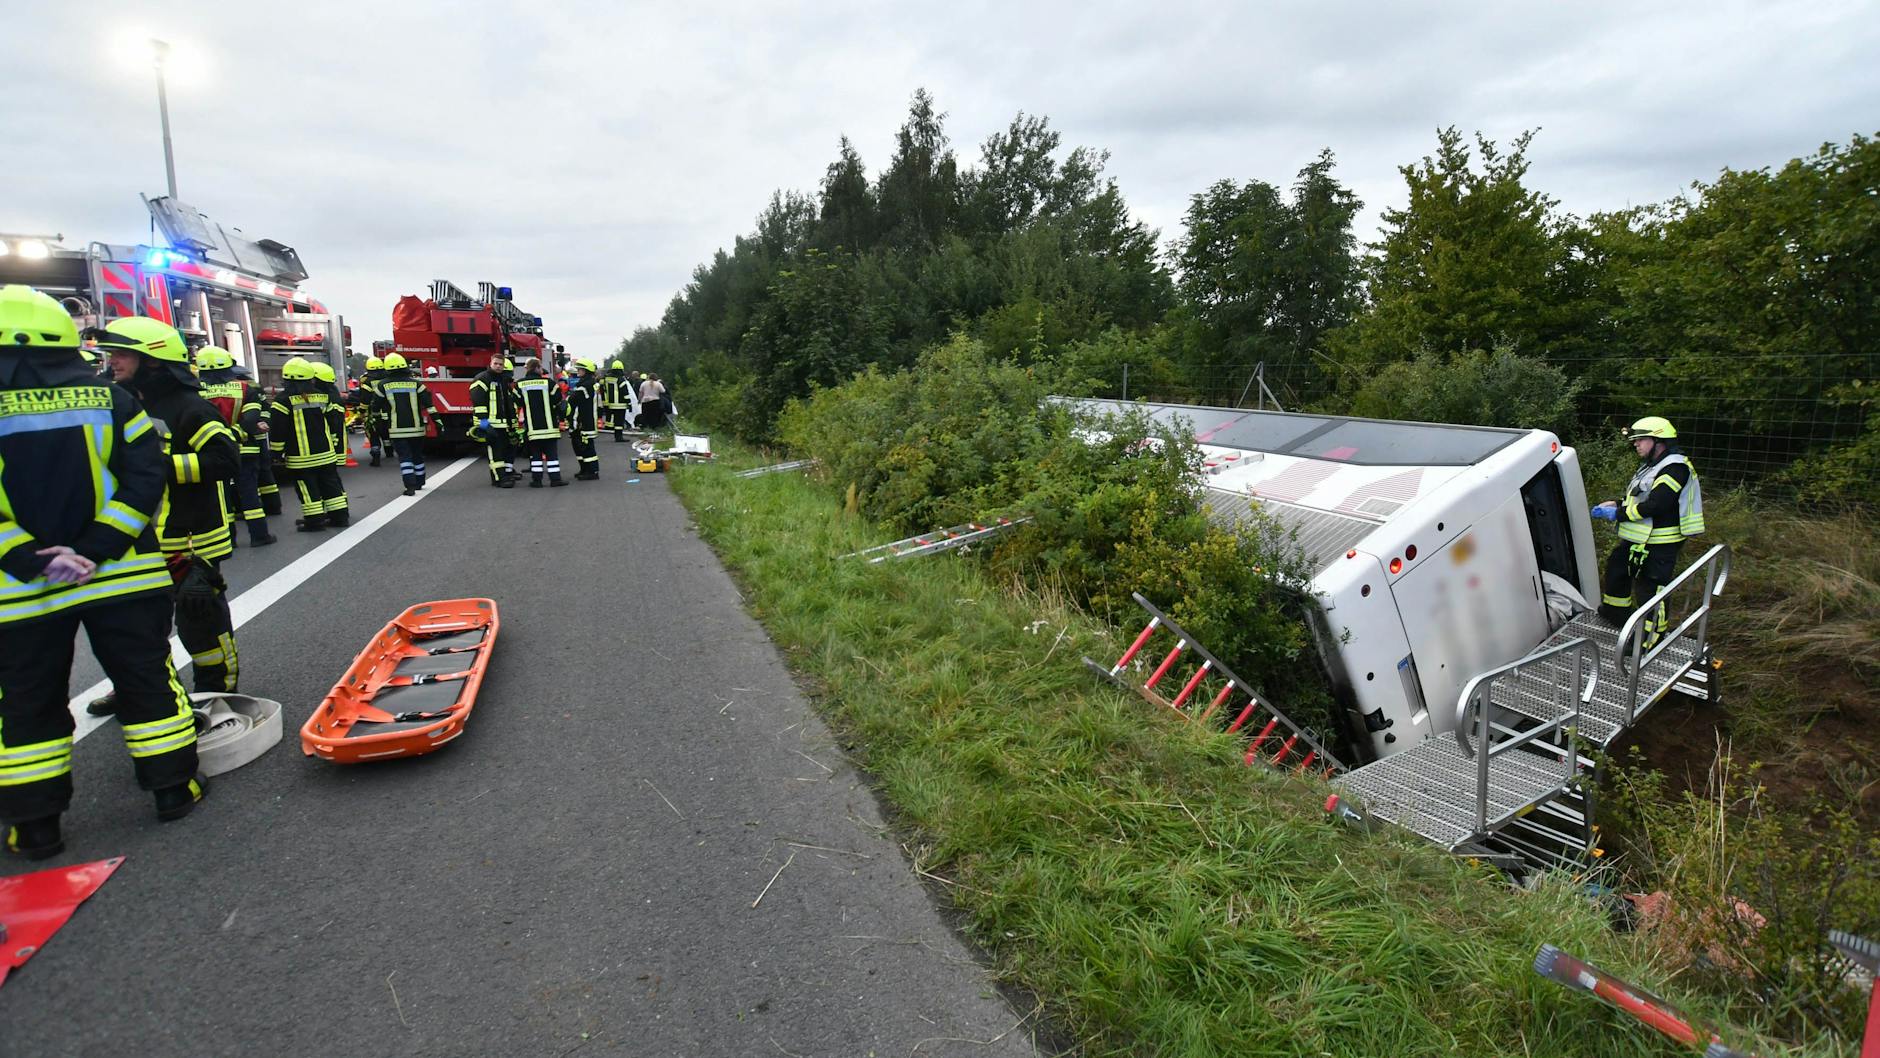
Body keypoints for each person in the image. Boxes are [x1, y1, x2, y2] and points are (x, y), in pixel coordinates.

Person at [0, 287, 207, 858]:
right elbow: (146, 479)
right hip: (123, 576)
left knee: (25, 702)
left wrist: (28, 556)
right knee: (146, 683)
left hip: (22, 590)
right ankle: (174, 789)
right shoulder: (113, 401)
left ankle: (35, 824)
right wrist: (97, 547)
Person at [93, 315, 243, 706]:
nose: (114, 361)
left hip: (187, 541)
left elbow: (225, 460)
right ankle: (139, 688)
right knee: (136, 627)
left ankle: (216, 690)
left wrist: (159, 467)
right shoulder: (116, 402)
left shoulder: (189, 409)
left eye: (123, 354)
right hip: (131, 540)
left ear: (153, 360)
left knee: (201, 624)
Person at [1593, 416, 1706, 648]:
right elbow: (1642, 497)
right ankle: (1617, 615)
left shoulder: (1676, 468)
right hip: (1641, 538)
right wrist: (1617, 503)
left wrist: (1619, 514)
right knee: (1617, 568)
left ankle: (1651, 640)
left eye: (1641, 439)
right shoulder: (1653, 466)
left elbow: (1658, 504)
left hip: (1661, 541)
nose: (1635, 444)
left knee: (1651, 588)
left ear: (1659, 441)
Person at [196, 347, 275, 548]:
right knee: (249, 494)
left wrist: (219, 439)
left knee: (221, 497)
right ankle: (259, 536)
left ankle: (228, 539)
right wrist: (235, 434)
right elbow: (251, 420)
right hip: (245, 449)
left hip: (210, 452)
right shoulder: (245, 389)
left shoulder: (195, 391)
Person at [270, 357, 350, 530]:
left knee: (308, 489)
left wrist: (276, 454)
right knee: (331, 486)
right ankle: (340, 518)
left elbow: (277, 430)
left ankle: (314, 522)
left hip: (301, 458)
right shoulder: (323, 397)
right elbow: (334, 423)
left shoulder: (282, 401)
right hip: (326, 453)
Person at [374, 353, 435, 495]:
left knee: (405, 458)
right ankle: (420, 482)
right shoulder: (416, 383)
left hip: (397, 430)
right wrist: (437, 422)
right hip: (417, 428)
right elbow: (429, 403)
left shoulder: (383, 385)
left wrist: (377, 421)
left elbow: (375, 405)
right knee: (417, 455)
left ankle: (410, 486)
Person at [515, 357, 566, 487]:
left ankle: (536, 481)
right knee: (552, 456)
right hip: (550, 427)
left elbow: (517, 402)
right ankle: (555, 480)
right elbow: (558, 400)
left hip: (533, 428)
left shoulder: (519, 384)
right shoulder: (549, 383)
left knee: (536, 456)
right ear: (538, 368)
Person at [470, 354, 519, 487]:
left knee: (502, 451)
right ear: (490, 363)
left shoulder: (502, 380)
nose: (498, 366)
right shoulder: (482, 379)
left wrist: (511, 425)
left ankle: (500, 477)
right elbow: (478, 404)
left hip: (502, 424)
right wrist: (484, 424)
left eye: (500, 364)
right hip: (489, 423)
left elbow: (507, 404)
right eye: (496, 363)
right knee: (495, 452)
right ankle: (500, 479)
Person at [565, 358, 602, 479]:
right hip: (583, 421)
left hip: (584, 422)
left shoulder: (586, 385)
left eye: (580, 369)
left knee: (586, 447)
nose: (578, 371)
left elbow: (572, 400)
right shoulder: (587, 384)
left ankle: (592, 472)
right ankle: (584, 469)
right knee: (579, 446)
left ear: (586, 371)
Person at [356, 355, 388, 466]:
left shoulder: (367, 381)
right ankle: (389, 452)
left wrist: (361, 412)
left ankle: (376, 456)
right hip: (389, 411)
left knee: (373, 433)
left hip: (373, 413)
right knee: (386, 433)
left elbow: (365, 399)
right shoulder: (387, 378)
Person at [599, 360, 629, 441]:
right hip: (620, 403)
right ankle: (619, 437)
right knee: (619, 422)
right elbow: (624, 391)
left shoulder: (607, 378)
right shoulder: (621, 379)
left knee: (616, 421)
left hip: (611, 403)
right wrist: (628, 402)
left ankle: (617, 436)